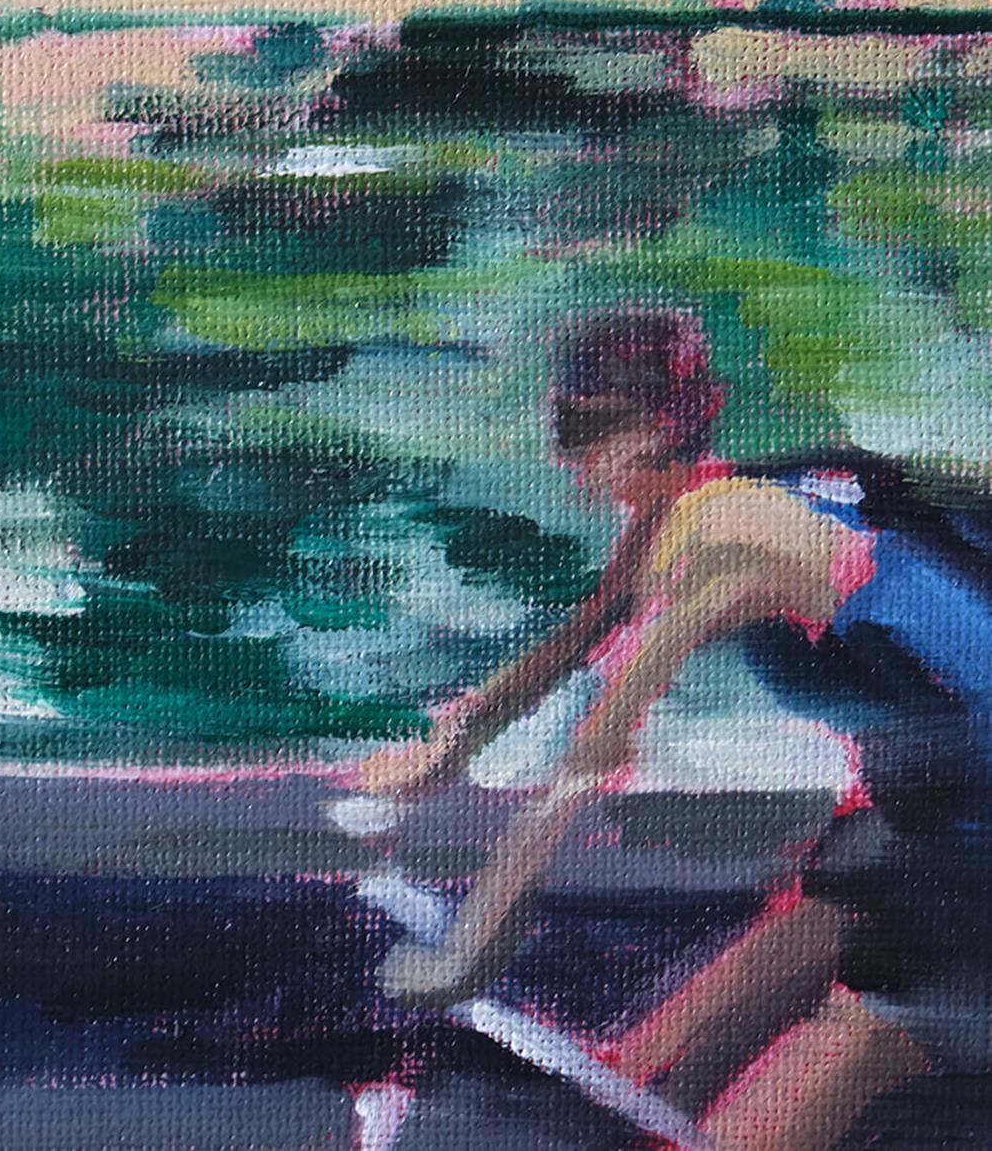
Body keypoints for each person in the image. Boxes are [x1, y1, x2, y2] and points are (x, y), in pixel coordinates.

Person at [355, 308, 985, 1144]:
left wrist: (466, 953)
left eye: (581, 433)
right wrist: (446, 749)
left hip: (966, 828)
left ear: (653, 432)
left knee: (871, 1008)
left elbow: (589, 759)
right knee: (827, 905)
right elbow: (577, 640)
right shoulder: (696, 504)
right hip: (931, 795)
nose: (566, 459)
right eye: (561, 428)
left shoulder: (725, 545)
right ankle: (642, 1087)